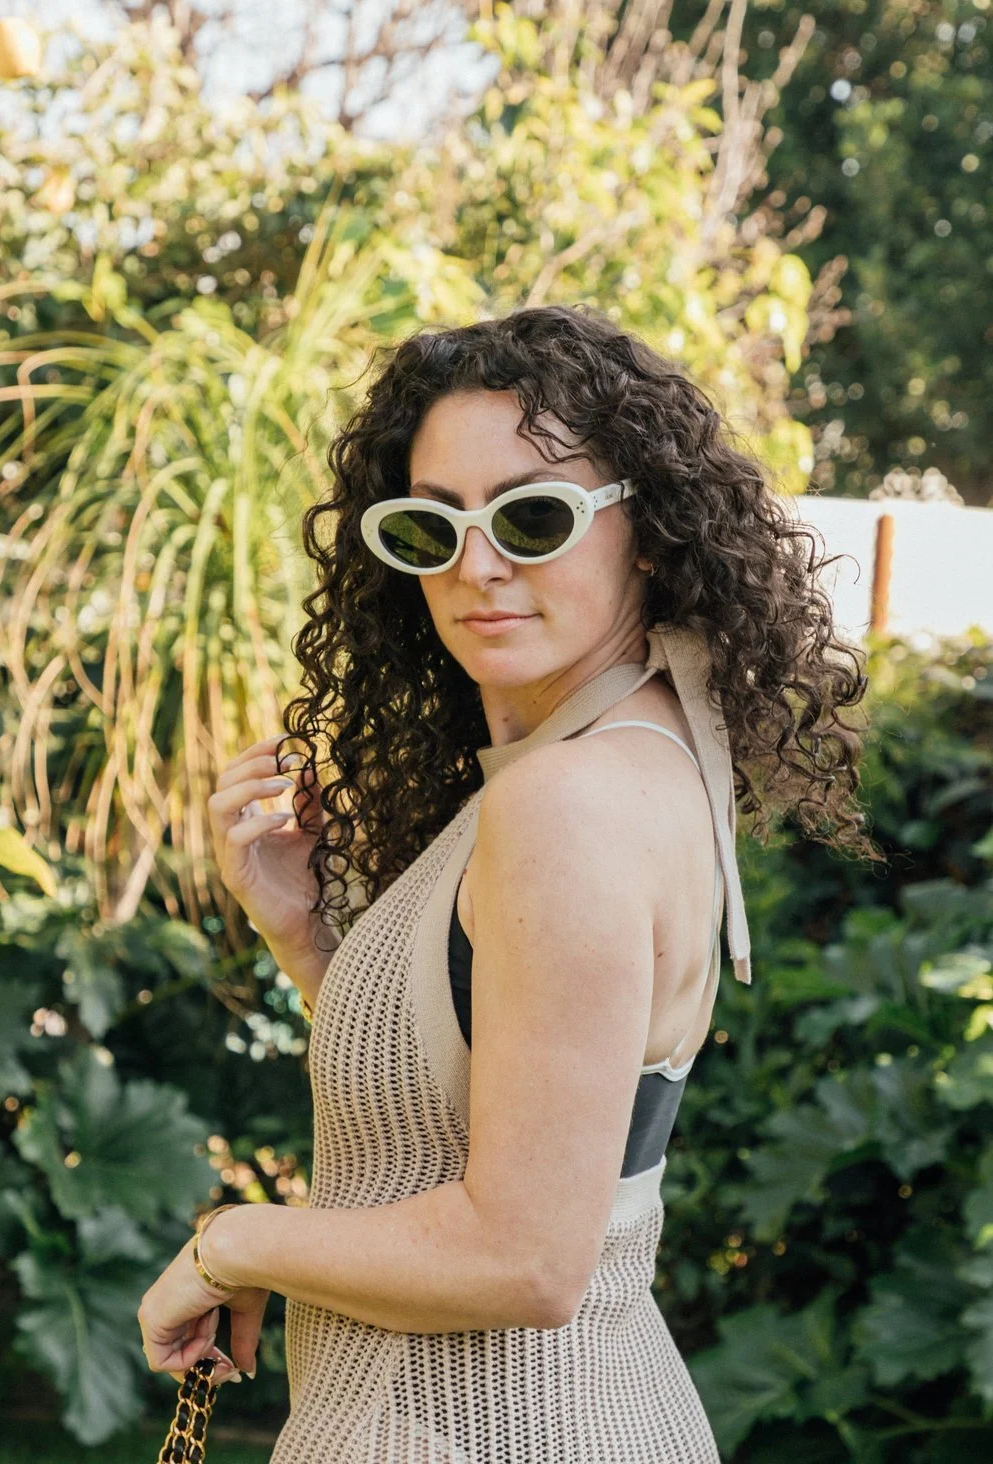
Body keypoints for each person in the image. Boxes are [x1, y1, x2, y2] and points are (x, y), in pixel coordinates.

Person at [138, 304, 877, 1461]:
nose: (476, 566)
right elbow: (482, 1108)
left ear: (646, 528)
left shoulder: (565, 801)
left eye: (532, 518)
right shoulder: (631, 754)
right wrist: (307, 944)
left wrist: (230, 1245)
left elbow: (522, 1258)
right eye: (429, 528)